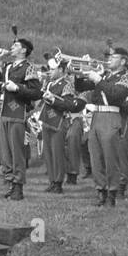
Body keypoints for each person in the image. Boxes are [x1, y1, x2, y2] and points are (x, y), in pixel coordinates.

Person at [76, 46, 128, 206]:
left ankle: (112, 192)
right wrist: (81, 71)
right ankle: (100, 191)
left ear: (123, 61)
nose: (108, 60)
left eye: (113, 57)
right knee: (96, 157)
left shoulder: (126, 77)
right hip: (97, 116)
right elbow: (80, 87)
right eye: (109, 57)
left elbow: (116, 96)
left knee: (110, 156)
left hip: (111, 115)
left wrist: (98, 80)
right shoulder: (105, 75)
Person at [0, 33, 41, 201]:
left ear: (23, 50)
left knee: (17, 150)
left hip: (17, 112)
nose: (12, 47)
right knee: (5, 150)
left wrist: (17, 88)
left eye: (15, 46)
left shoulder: (29, 67)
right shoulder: (8, 66)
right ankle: (9, 182)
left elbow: (36, 92)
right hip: (4, 111)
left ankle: (18, 187)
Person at [39, 55, 84, 194]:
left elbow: (68, 104)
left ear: (60, 69)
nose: (50, 72)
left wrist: (53, 100)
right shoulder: (49, 83)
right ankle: (52, 181)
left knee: (57, 152)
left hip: (59, 121)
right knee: (48, 152)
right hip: (47, 120)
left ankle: (58, 182)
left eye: (53, 69)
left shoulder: (67, 84)